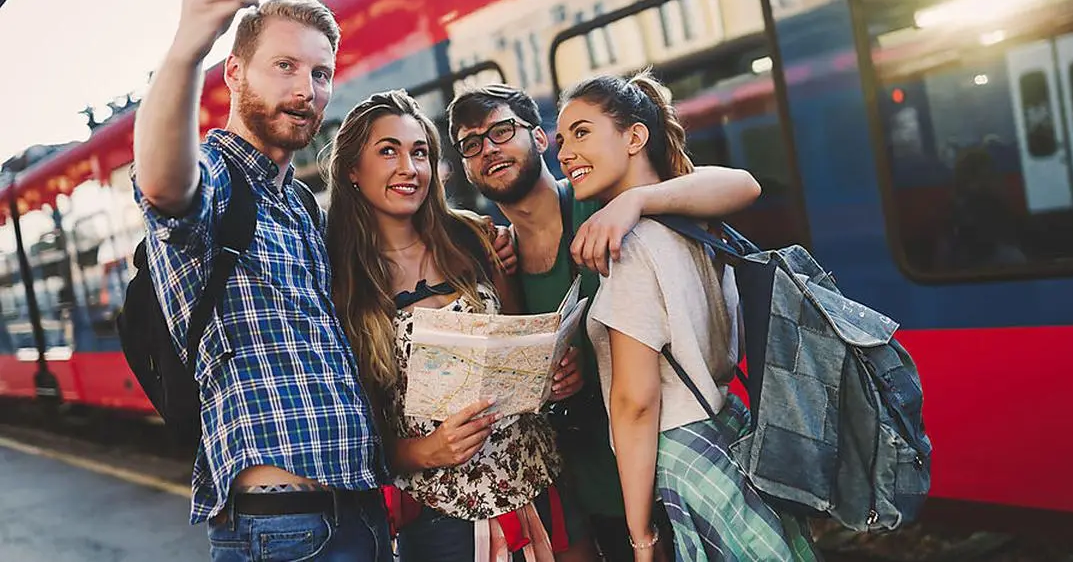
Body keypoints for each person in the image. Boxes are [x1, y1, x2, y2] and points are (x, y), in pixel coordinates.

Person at [132, 0, 391, 559]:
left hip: (359, 513)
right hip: (282, 529)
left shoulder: (300, 204)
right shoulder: (217, 179)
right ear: (235, 71)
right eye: (286, 66)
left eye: (322, 73)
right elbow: (165, 186)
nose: (308, 91)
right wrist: (188, 45)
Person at [447, 83, 763, 561]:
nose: (488, 148)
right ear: (465, 166)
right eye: (471, 144)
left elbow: (742, 185)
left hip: (666, 472)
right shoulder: (497, 258)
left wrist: (634, 202)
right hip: (586, 485)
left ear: (537, 139)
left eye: (501, 131)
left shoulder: (601, 198)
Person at [325, 90, 595, 561]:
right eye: (388, 151)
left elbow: (517, 338)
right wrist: (426, 450)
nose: (409, 168)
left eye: (420, 152)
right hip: (442, 521)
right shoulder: (341, 284)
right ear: (352, 169)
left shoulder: (472, 237)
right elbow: (354, 434)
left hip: (539, 481)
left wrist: (555, 373)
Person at [559, 70, 818, 561]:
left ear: (636, 136)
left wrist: (640, 536)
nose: (565, 152)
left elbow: (636, 402)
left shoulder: (631, 248)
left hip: (682, 455)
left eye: (582, 132)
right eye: (561, 139)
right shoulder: (697, 221)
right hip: (725, 430)